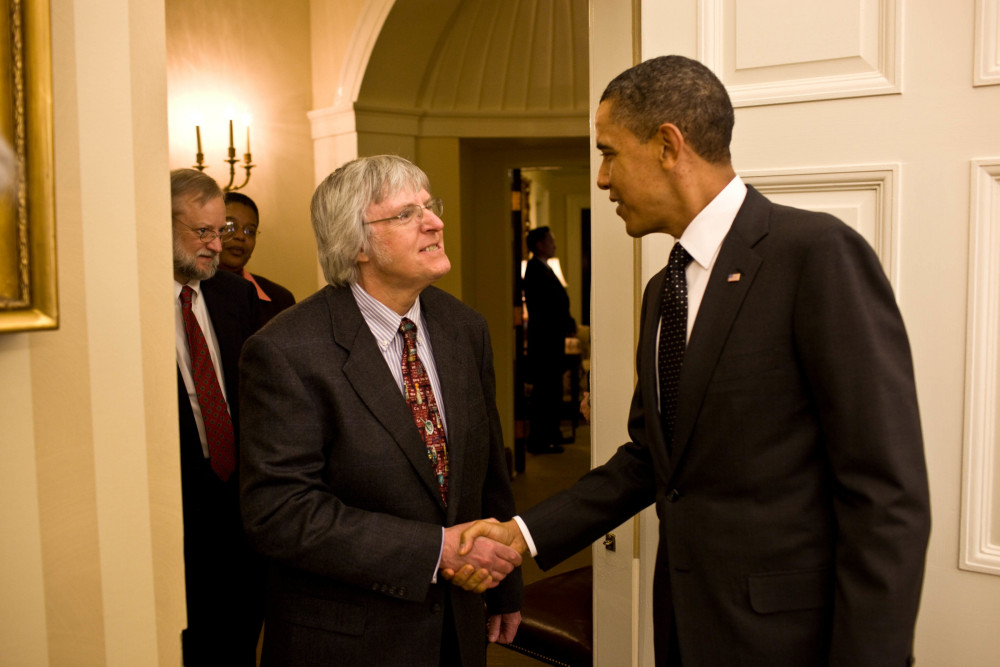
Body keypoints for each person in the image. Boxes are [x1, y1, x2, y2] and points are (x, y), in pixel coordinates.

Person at [454, 55, 931, 666]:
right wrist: (520, 535)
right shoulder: (664, 290)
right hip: (685, 627)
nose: (601, 179)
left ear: (667, 145)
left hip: (791, 643)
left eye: (608, 152)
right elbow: (650, 460)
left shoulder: (815, 255)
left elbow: (885, 491)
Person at [238, 155, 523, 666]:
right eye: (405, 214)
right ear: (356, 245)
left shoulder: (465, 328)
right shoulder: (285, 349)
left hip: (456, 626)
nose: (434, 222)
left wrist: (504, 585)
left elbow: (487, 470)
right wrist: (435, 551)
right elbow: (280, 513)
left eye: (429, 206)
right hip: (347, 639)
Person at [170, 168, 264, 665]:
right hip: (176, 516)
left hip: (241, 515)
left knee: (239, 644)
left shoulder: (234, 296)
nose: (215, 244)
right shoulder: (131, 304)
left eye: (220, 231)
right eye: (202, 231)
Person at [522, 226, 575, 454]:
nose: (554, 244)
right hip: (544, 342)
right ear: (540, 244)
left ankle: (551, 434)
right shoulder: (534, 269)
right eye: (550, 240)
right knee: (545, 390)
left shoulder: (545, 267)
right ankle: (540, 440)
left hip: (552, 339)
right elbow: (545, 306)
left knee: (551, 389)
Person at [219, 191, 296, 327]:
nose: (240, 236)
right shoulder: (193, 293)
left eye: (250, 231)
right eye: (230, 226)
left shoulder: (281, 299)